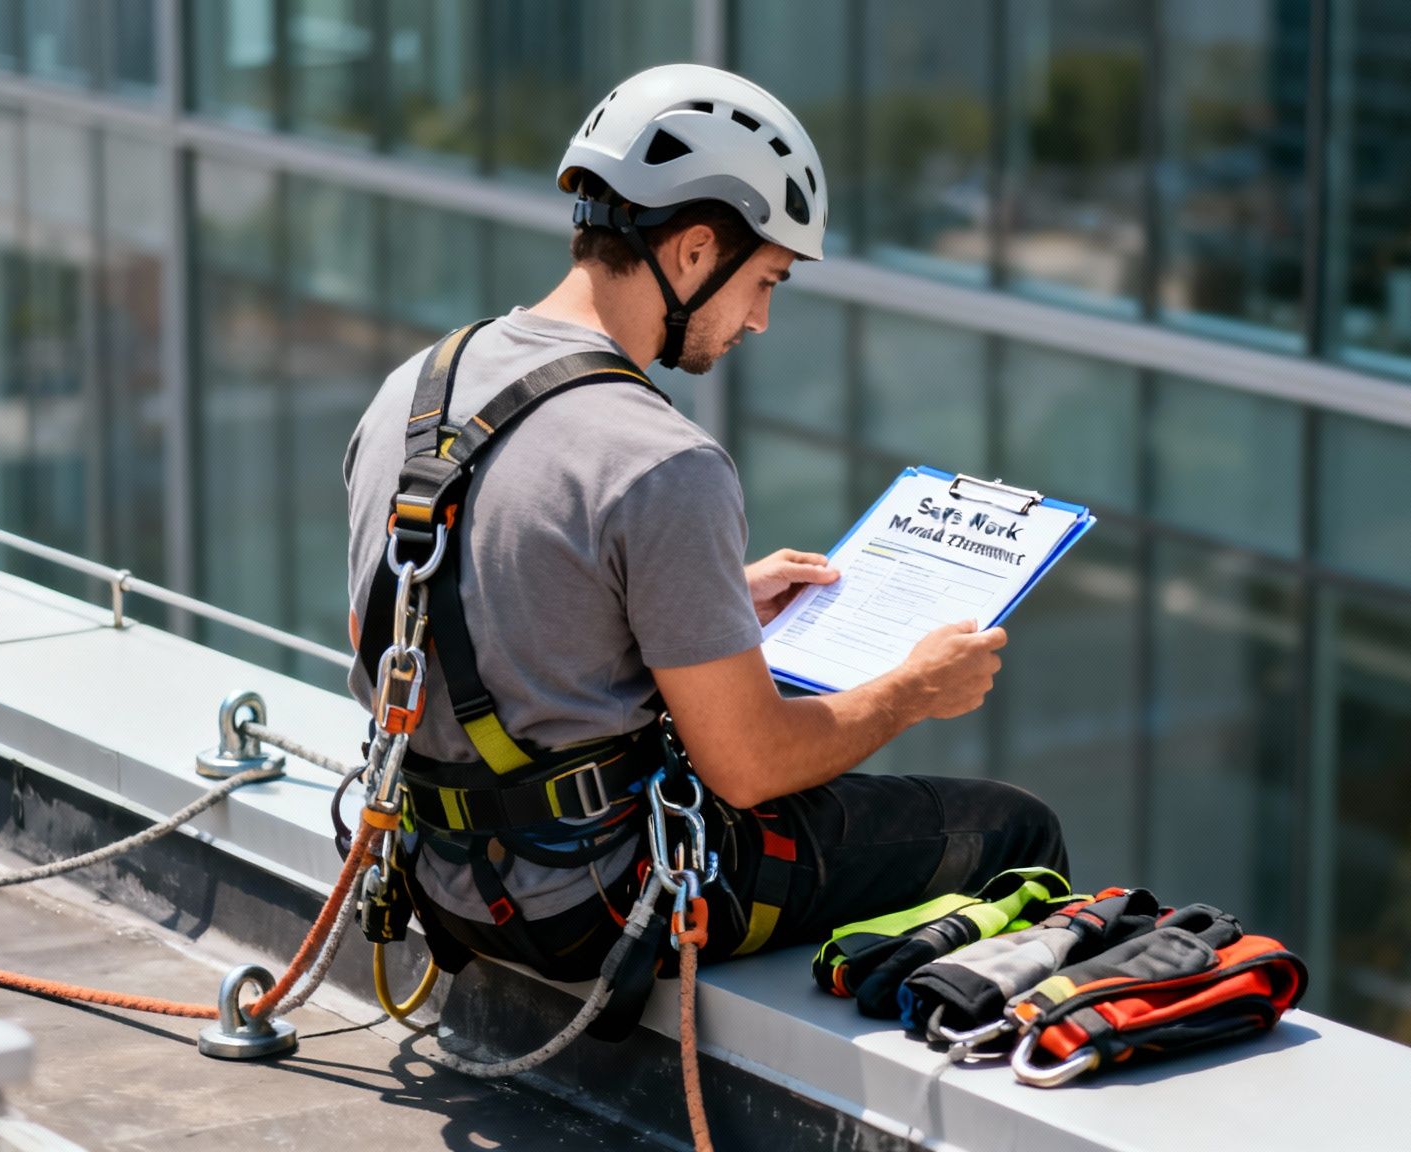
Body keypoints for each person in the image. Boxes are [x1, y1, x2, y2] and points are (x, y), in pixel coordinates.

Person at [343, 64, 1066, 990]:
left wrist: (689, 608)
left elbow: (392, 634)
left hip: (433, 877)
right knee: (1014, 831)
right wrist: (914, 690)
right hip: (590, 904)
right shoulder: (661, 458)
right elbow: (750, 768)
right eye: (765, 280)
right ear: (691, 252)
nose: (761, 319)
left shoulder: (417, 386)